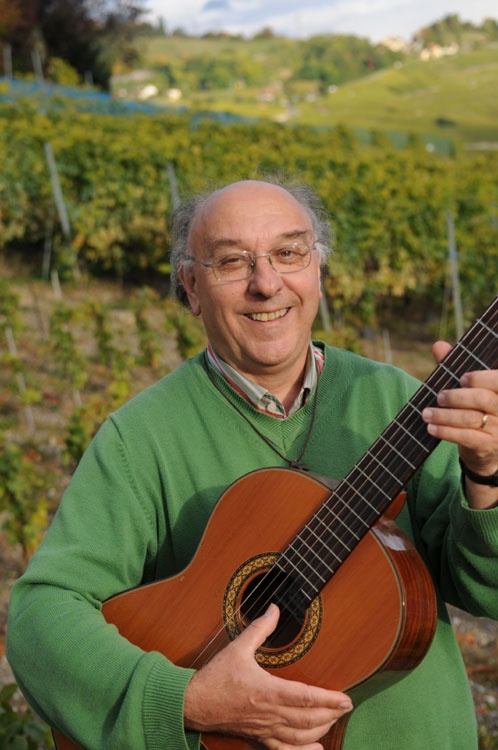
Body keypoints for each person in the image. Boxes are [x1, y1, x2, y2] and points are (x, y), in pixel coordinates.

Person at [6, 177, 498, 750]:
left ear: (318, 270)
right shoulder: (139, 439)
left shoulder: (400, 402)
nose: (267, 284)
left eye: (289, 253)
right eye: (232, 262)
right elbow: (41, 617)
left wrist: (485, 474)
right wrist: (186, 700)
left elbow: (486, 594)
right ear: (191, 288)